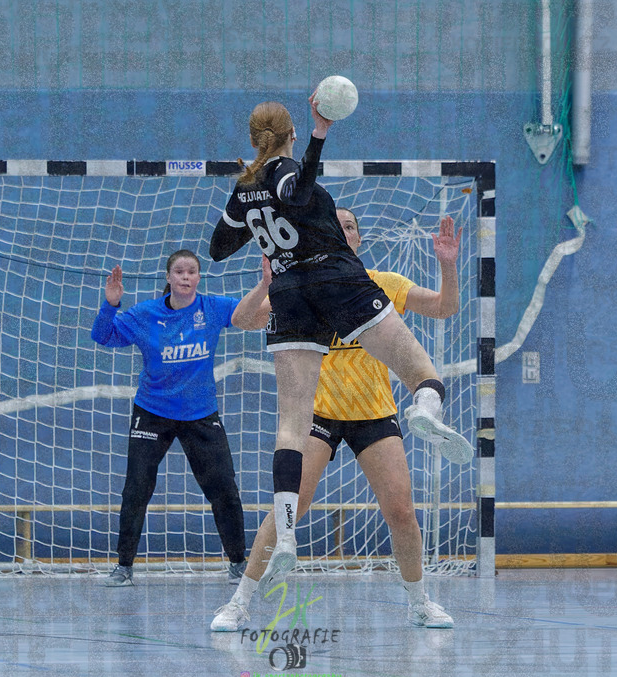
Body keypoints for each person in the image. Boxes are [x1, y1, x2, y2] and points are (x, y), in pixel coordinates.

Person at [210, 94, 470, 593]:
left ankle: (289, 540)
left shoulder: (244, 190)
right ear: (287, 135)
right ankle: (426, 407)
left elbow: (218, 248)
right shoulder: (287, 171)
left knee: (290, 426)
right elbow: (299, 188)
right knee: (420, 369)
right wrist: (320, 132)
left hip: (295, 298)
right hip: (334, 293)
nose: (344, 226)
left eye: (351, 225)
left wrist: (263, 237)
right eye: (342, 222)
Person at [91, 249, 270, 587]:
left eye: (192, 272)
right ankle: (124, 567)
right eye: (179, 272)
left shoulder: (212, 307)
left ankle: (236, 562)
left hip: (200, 414)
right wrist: (111, 304)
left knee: (224, 489)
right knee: (136, 489)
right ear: (169, 278)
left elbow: (253, 317)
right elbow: (103, 336)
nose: (186, 277)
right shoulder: (145, 314)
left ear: (199, 278)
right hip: (152, 411)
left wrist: (267, 287)